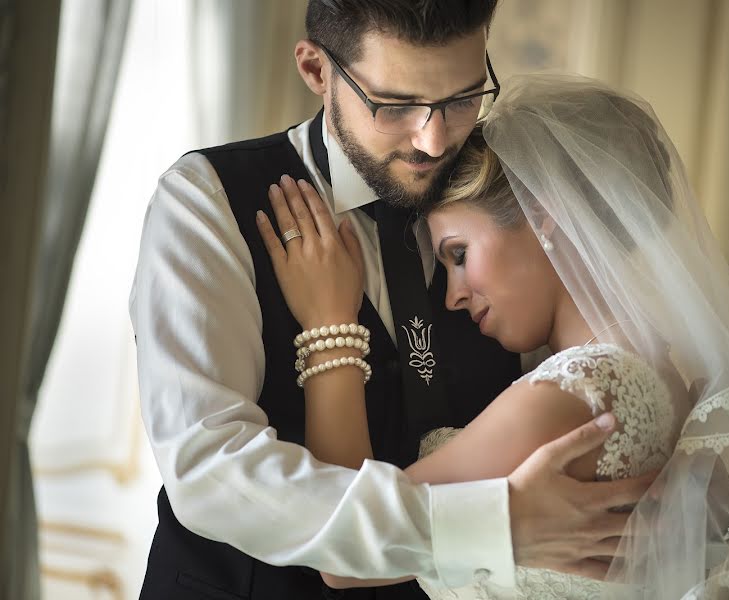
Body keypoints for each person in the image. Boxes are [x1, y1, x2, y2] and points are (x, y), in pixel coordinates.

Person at [129, 3, 654, 599]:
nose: (433, 140)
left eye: (461, 98)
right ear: (316, 70)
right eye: (395, 105)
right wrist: (489, 528)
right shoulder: (208, 202)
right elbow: (212, 470)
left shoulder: (506, 198)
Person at [256, 75, 729, 598]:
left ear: (546, 219)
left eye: (459, 254)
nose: (454, 294)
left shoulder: (576, 395)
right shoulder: (672, 382)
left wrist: (328, 327)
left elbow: (344, 559)